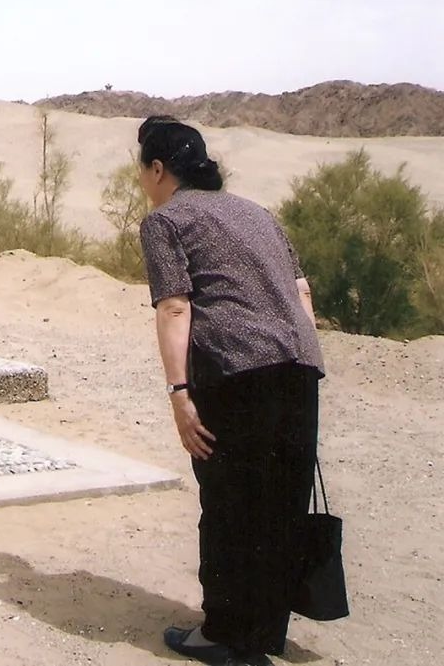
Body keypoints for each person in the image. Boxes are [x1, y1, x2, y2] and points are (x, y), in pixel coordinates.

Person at [136, 116, 325, 666]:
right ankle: (263, 632)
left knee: (228, 503)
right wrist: (303, 361)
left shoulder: (166, 221)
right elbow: (301, 293)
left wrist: (178, 391)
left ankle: (223, 634)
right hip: (299, 366)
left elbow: (174, 305)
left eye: (142, 171)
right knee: (280, 507)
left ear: (157, 168)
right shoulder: (255, 212)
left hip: (237, 374)